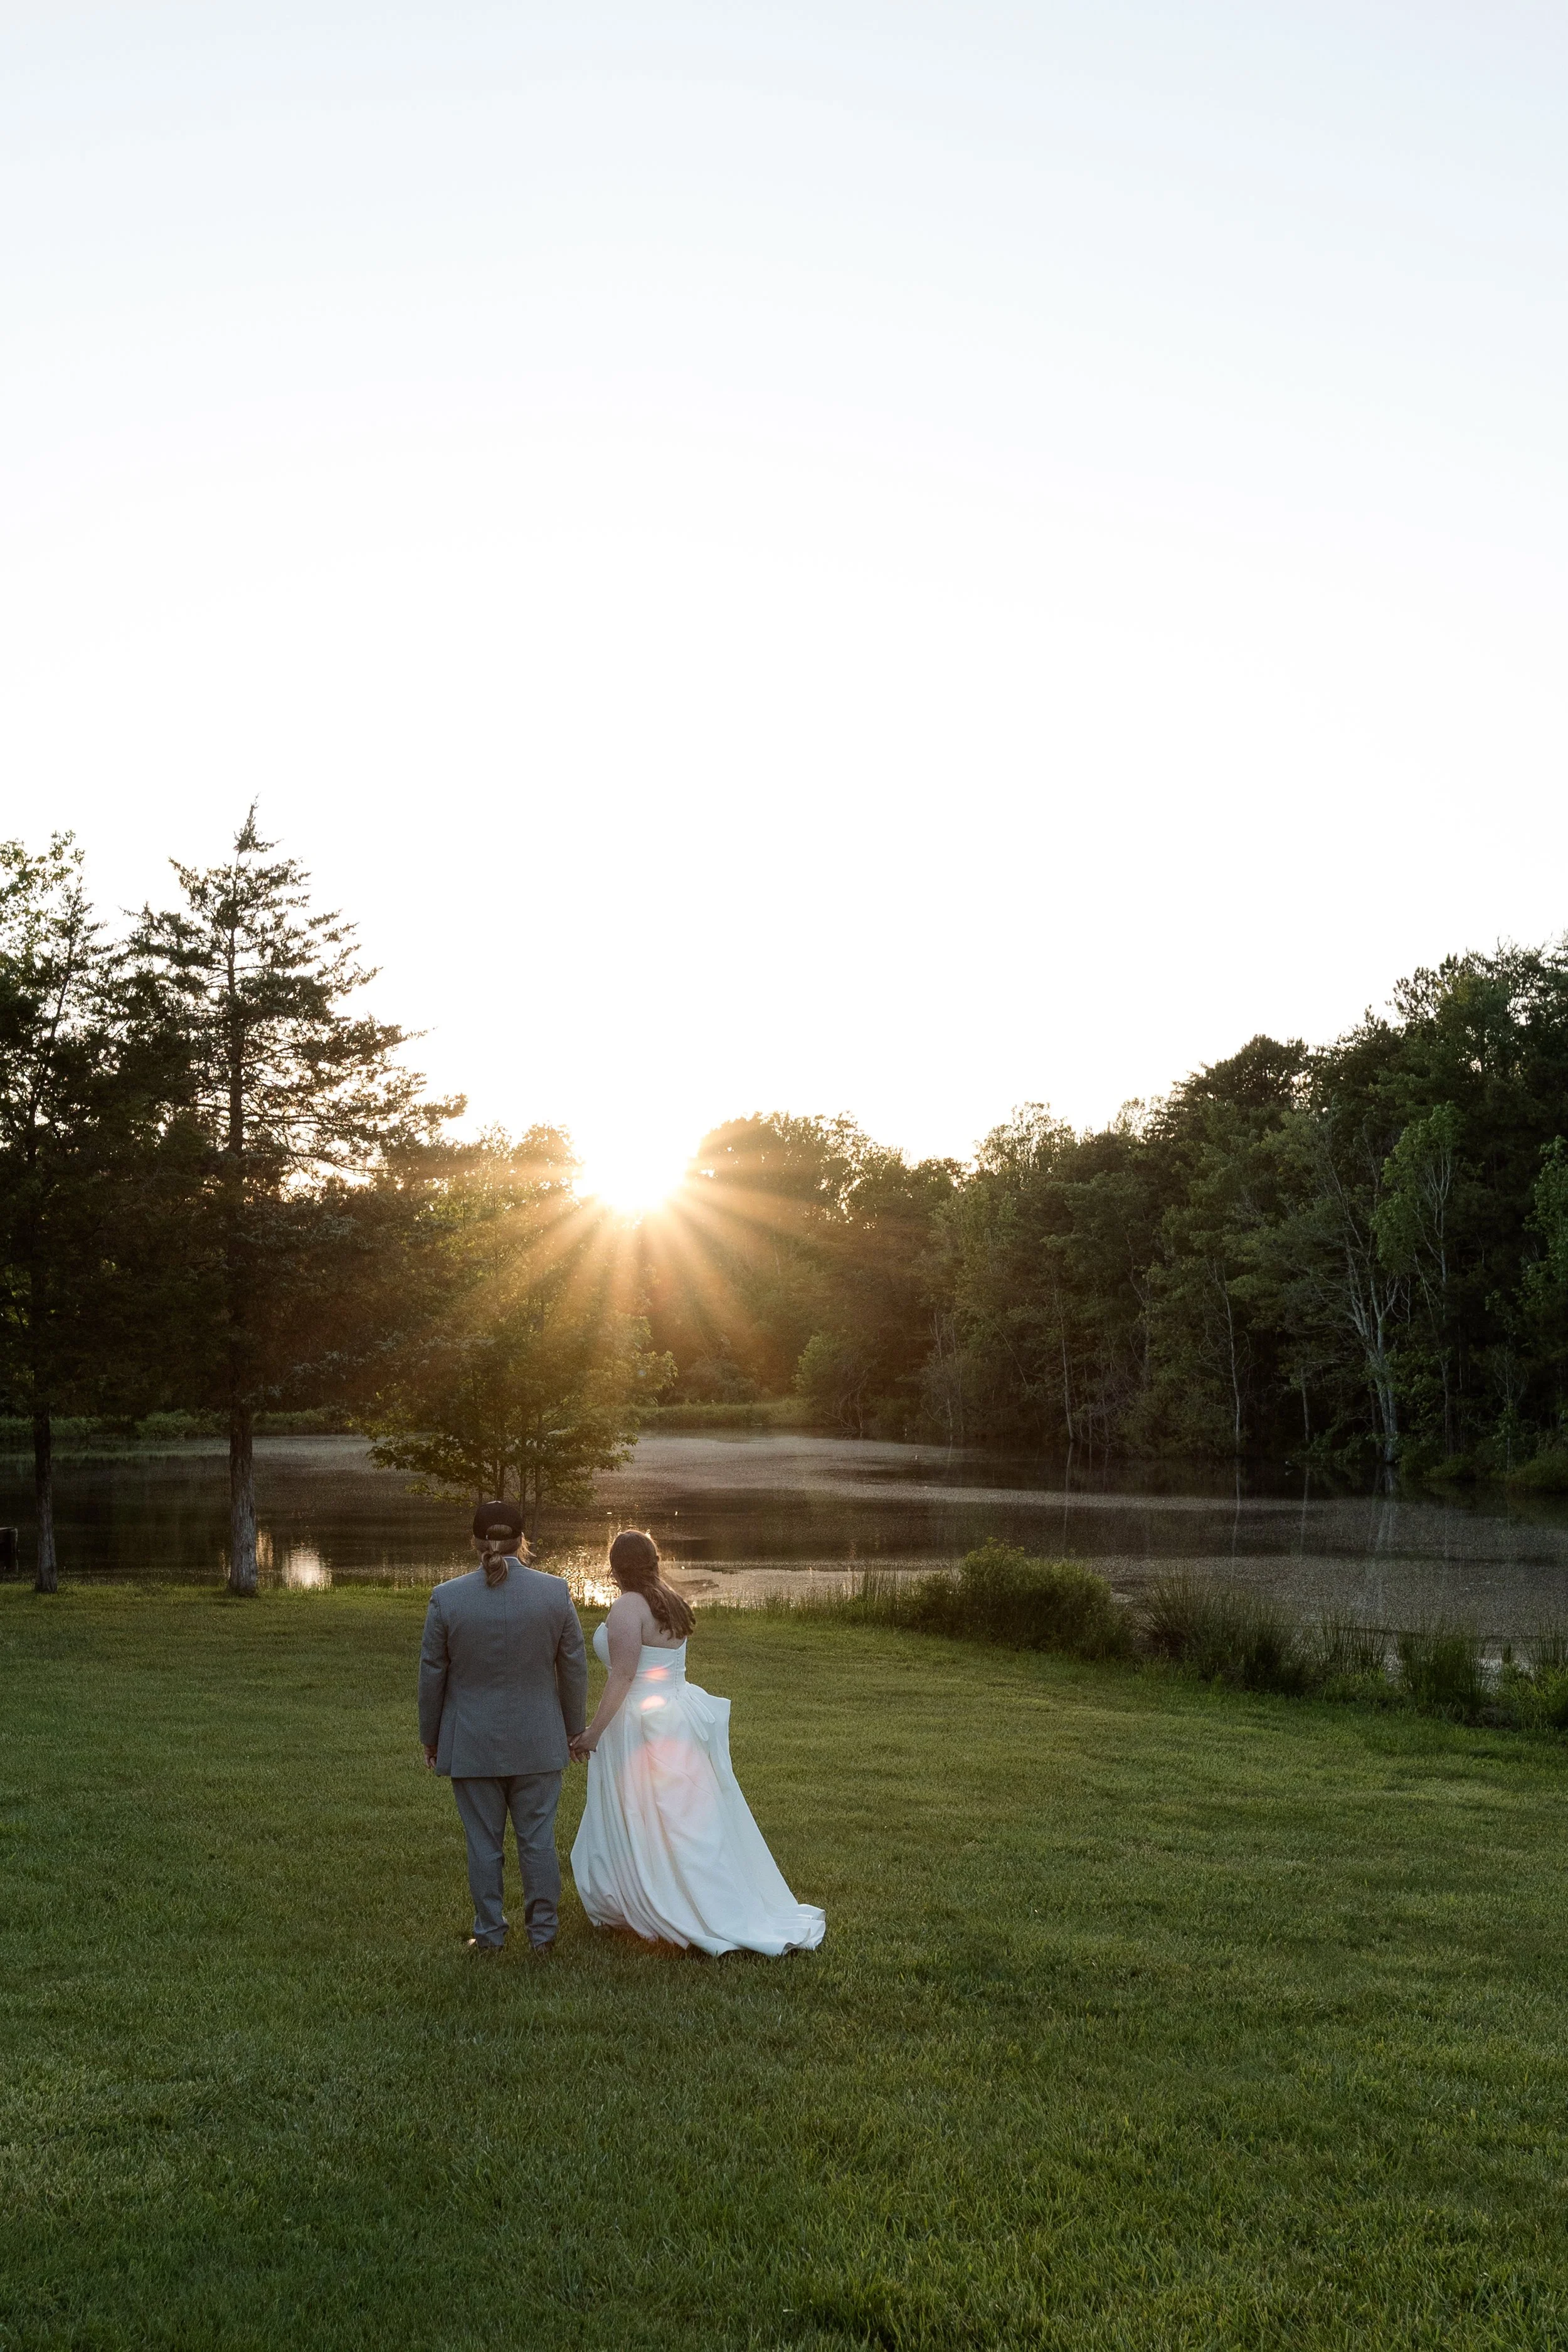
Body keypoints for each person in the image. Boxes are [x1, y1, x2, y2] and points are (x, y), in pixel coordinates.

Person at [569, 1529, 825, 1956]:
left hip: (640, 1723)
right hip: (676, 1713)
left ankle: (662, 1899)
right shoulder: (668, 1599)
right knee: (679, 1816)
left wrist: (593, 1732)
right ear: (653, 1560)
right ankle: (678, 1889)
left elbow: (624, 1675)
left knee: (651, 1813)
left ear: (615, 1567)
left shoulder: (628, 1607)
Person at [418, 1500, 587, 1955]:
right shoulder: (555, 1592)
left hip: (472, 1741)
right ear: (522, 1541)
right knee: (537, 1842)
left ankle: (490, 1934)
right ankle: (543, 1936)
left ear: (475, 1543)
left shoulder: (447, 1597)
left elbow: (432, 1674)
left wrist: (430, 1737)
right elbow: (573, 1667)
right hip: (539, 1739)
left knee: (483, 1844)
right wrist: (576, 1730)